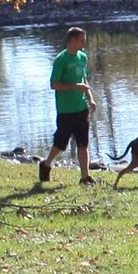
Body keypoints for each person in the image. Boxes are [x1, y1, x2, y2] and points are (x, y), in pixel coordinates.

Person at [41, 26, 96, 184]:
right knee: (61, 144)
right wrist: (74, 87)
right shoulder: (61, 60)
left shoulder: (82, 57)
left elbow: (84, 81)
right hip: (65, 110)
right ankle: (46, 164)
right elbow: (54, 84)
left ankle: (85, 177)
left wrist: (90, 98)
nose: (84, 43)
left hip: (81, 108)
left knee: (83, 143)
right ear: (72, 40)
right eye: (81, 40)